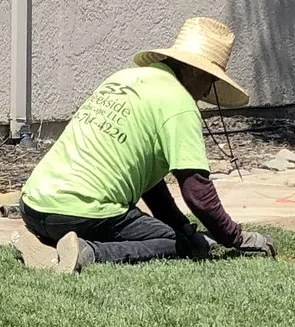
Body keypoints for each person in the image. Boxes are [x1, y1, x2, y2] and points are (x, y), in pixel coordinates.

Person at [19, 16, 276, 272]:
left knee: (181, 236)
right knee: (181, 245)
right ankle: (90, 252)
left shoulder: (124, 78)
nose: (209, 91)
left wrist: (182, 227)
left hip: (32, 206)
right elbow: (198, 194)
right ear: (194, 70)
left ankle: (46, 241)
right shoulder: (179, 104)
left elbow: (150, 185)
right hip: (82, 213)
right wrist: (235, 237)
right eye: (211, 79)